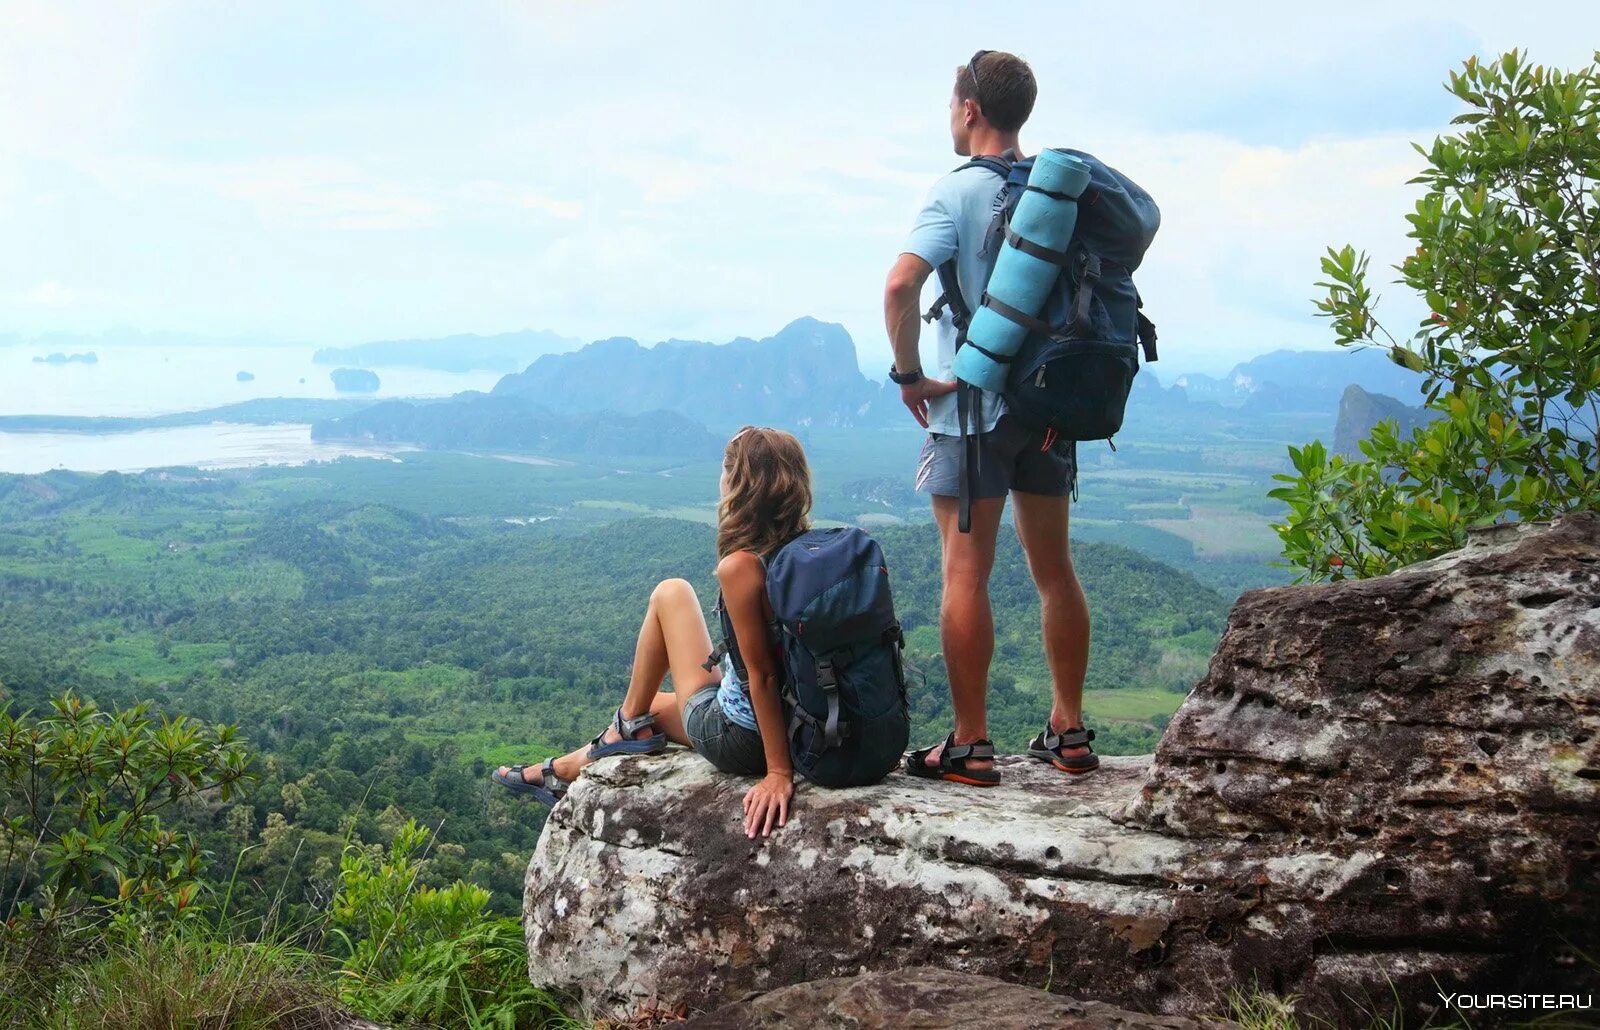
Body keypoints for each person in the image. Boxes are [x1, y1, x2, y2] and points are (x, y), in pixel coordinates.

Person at [883, 50, 1098, 786]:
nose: (949, 115)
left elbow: (899, 285)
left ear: (971, 110)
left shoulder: (954, 194)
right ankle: (1068, 728)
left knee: (965, 574)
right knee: (1054, 573)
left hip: (970, 413)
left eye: (952, 103)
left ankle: (970, 743)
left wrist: (910, 376)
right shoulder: (1056, 193)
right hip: (1048, 411)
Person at [493, 426, 807, 838]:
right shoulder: (807, 552)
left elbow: (762, 675)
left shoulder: (743, 566)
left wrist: (778, 771)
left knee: (670, 593)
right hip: (807, 725)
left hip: (746, 739)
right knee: (651, 708)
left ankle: (609, 736)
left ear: (738, 485)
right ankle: (575, 760)